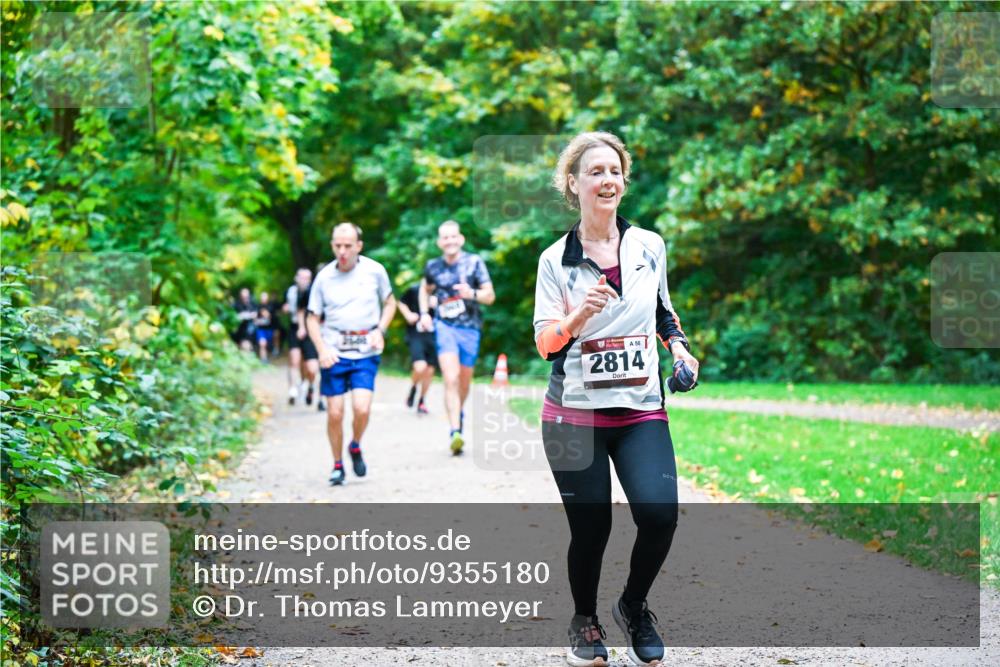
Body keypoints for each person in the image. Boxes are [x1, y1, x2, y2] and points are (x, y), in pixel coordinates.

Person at [533, 132, 700, 667]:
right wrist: (579, 314)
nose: (607, 180)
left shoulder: (649, 245)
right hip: (572, 415)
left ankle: (633, 605)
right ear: (573, 183)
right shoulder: (555, 260)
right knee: (592, 528)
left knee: (660, 515)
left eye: (614, 171)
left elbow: (664, 312)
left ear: (623, 181)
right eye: (595, 172)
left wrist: (680, 350)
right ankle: (585, 620)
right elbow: (545, 343)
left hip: (639, 410)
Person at [307, 223, 396, 486]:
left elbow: (390, 302)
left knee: (362, 408)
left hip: (365, 350)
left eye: (348, 245)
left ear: (359, 245)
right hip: (334, 352)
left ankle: (355, 444)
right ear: (332, 245)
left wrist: (380, 330)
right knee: (335, 413)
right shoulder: (324, 277)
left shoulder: (375, 270)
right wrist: (321, 349)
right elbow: (312, 318)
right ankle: (337, 465)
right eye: (338, 246)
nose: (342, 251)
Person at [418, 220, 494, 455]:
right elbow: (424, 289)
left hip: (470, 328)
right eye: (445, 237)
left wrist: (471, 293)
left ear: (461, 239)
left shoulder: (474, 262)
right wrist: (424, 313)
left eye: (453, 236)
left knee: (463, 381)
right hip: (445, 327)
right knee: (450, 378)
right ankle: (455, 431)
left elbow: (490, 296)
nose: (450, 241)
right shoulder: (433, 266)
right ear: (439, 242)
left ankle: (457, 412)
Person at [398, 282, 438, 414]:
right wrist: (408, 315)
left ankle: (422, 401)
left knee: (430, 370)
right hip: (415, 334)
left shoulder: (441, 292)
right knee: (420, 366)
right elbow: (401, 302)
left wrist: (439, 305)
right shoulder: (414, 289)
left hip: (434, 335)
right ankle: (414, 387)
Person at [284, 268, 313, 405]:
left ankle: (305, 383)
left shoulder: (313, 292)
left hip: (311, 329)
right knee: (294, 359)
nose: (304, 280)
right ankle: (292, 389)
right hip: (294, 327)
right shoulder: (290, 291)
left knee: (307, 364)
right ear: (296, 278)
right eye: (301, 277)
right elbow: (284, 306)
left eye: (307, 278)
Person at [232, 288, 257, 352]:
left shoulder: (252, 303)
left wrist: (252, 315)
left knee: (247, 346)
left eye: (246, 296)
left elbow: (256, 314)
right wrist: (239, 316)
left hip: (249, 329)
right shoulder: (236, 304)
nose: (245, 298)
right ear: (240, 296)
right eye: (243, 297)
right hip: (238, 329)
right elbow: (232, 316)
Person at [254, 291, 276, 362]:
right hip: (260, 329)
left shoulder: (271, 306)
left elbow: (271, 317)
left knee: (268, 345)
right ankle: (263, 359)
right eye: (262, 297)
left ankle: (267, 357)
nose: (263, 298)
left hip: (269, 329)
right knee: (262, 343)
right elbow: (255, 318)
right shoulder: (257, 306)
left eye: (265, 297)